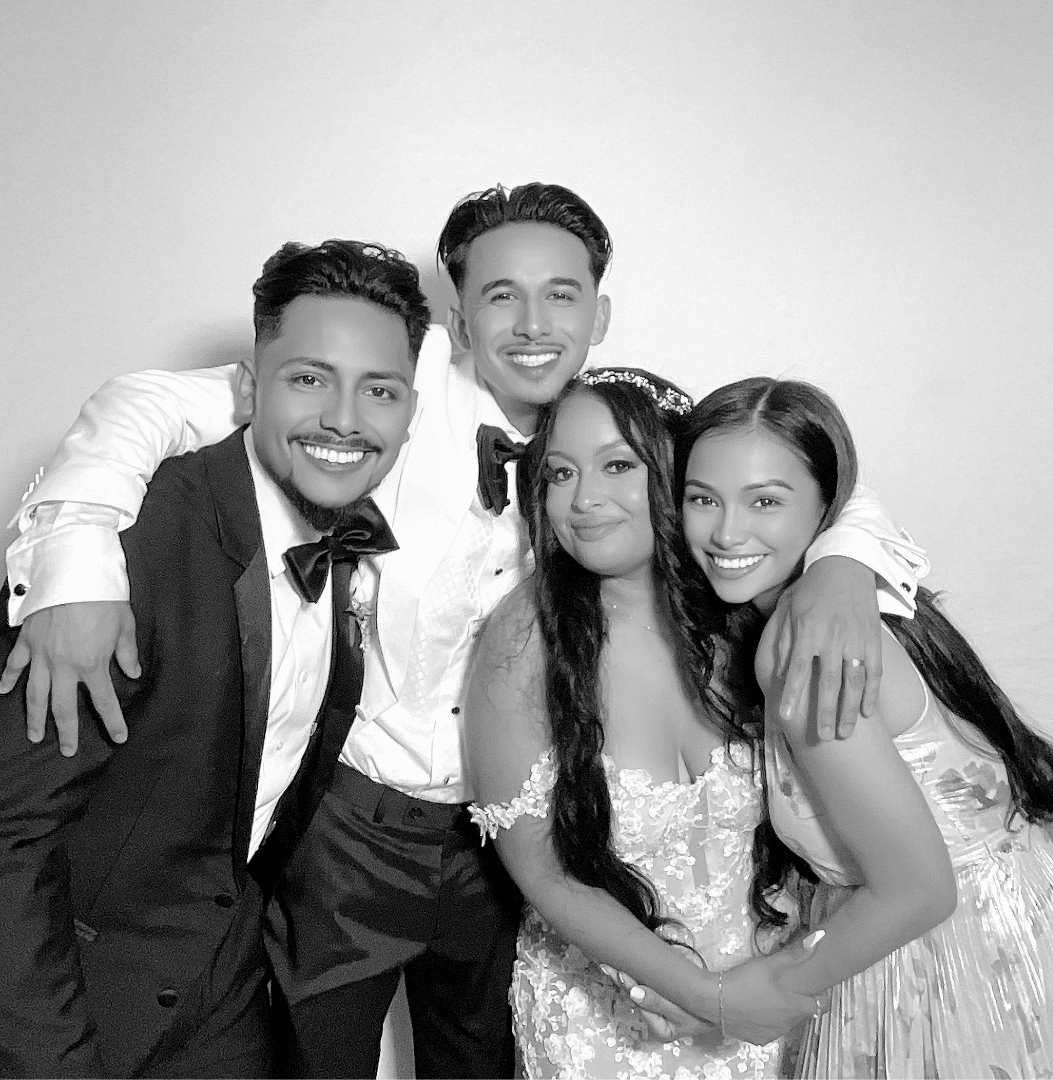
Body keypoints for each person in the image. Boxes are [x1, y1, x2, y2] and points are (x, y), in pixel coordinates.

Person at [1, 184, 925, 1077]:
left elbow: (784, 467)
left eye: (560, 295)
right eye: (500, 296)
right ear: (459, 313)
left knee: (484, 1060)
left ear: (599, 316)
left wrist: (845, 563)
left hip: (511, 847)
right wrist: (75, 558)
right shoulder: (386, 402)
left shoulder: (623, 429)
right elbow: (155, 403)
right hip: (351, 832)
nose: (531, 325)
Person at [0, 238, 426, 1077]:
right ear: (249, 384)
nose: (345, 418)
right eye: (309, 378)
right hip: (70, 999)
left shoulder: (346, 535)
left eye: (379, 390)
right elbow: (8, 838)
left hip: (222, 989)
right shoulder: (129, 546)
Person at [674, 377, 1053, 1078]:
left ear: (828, 508)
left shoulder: (807, 643)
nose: (727, 532)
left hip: (945, 965)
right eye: (702, 498)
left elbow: (918, 890)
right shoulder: (853, 594)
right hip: (1023, 924)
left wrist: (742, 995)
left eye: (764, 500)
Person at [466, 367, 836, 1079]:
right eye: (560, 473)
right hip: (608, 1019)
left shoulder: (746, 600)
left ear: (674, 470)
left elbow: (822, 486)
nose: (583, 500)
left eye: (617, 466)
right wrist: (701, 995)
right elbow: (542, 871)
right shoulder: (522, 641)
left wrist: (844, 571)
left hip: (770, 998)